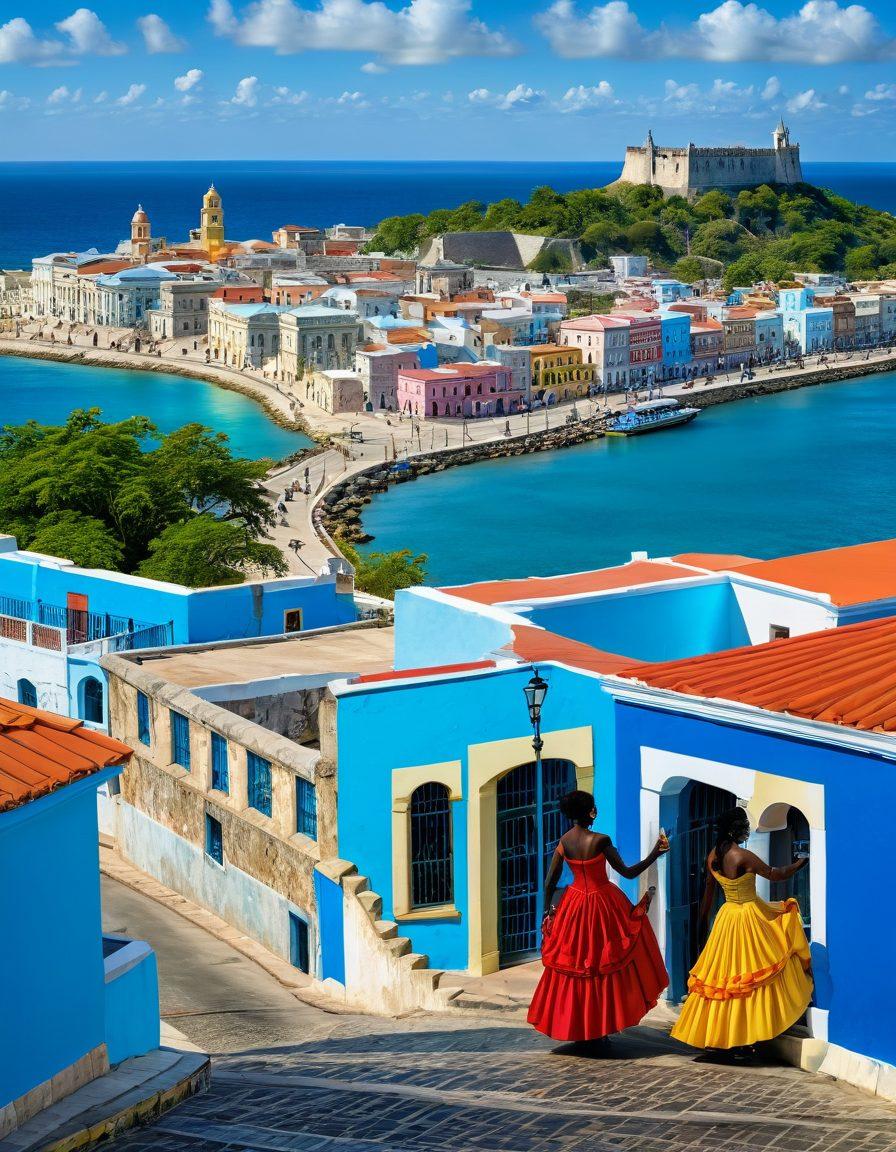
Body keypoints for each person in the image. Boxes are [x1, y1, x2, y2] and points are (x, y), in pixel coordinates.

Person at [527, 790, 669, 1048]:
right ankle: (599, 1029)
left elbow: (550, 881)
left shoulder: (564, 841)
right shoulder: (601, 840)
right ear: (591, 812)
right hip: (603, 905)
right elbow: (626, 872)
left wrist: (548, 910)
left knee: (578, 966)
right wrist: (654, 855)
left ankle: (581, 1028)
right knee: (602, 966)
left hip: (573, 905)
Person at [670, 807, 812, 1059]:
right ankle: (742, 1038)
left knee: (724, 979)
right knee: (750, 976)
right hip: (748, 916)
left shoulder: (713, 855)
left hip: (726, 918)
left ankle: (721, 1039)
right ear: (736, 829)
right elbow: (774, 874)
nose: (747, 828)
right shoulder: (743, 855)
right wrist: (801, 863)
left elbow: (708, 892)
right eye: (745, 824)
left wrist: (702, 924)